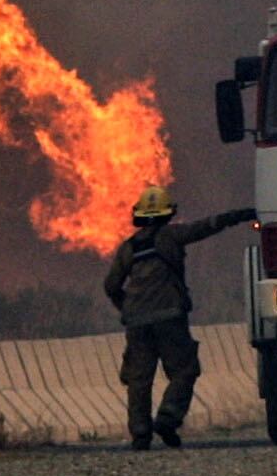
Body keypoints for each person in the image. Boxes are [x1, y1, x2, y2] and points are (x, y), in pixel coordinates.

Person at [103, 185, 256, 448]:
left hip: (137, 323)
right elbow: (206, 226)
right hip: (169, 318)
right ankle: (168, 418)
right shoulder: (172, 236)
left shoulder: (129, 248)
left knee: (139, 379)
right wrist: (239, 215)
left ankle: (140, 434)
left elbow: (110, 286)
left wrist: (127, 307)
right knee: (184, 370)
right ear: (167, 214)